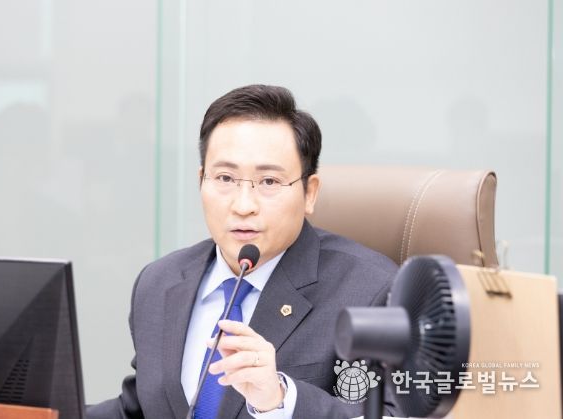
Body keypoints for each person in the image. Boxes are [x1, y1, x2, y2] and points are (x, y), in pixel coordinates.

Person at [87, 84, 399, 419]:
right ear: (201, 181)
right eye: (225, 178)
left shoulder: (371, 290)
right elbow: (140, 409)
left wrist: (281, 399)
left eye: (269, 182)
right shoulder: (160, 282)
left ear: (310, 193)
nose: (243, 205)